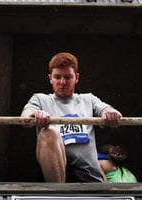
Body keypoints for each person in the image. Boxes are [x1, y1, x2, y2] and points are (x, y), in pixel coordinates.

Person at [21, 52, 122, 183]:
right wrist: (34, 114)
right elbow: (25, 116)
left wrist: (110, 112)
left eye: (68, 77)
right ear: (50, 78)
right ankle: (58, 193)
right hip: (55, 174)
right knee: (49, 132)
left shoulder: (88, 99)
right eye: (57, 77)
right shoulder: (41, 99)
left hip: (90, 177)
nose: (62, 82)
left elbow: (108, 110)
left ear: (77, 78)